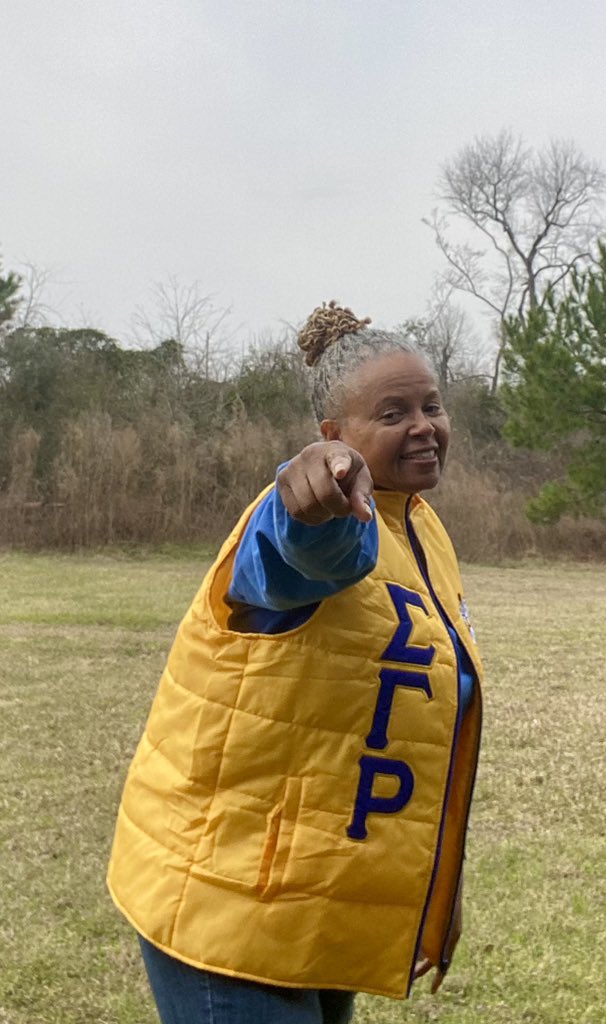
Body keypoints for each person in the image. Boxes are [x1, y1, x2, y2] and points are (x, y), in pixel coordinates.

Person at [107, 301, 484, 1024]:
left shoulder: (420, 529)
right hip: (237, 904)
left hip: (319, 899)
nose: (423, 426)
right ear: (334, 436)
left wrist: (439, 891)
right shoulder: (320, 517)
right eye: (392, 413)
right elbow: (303, 548)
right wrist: (311, 487)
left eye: (431, 405)